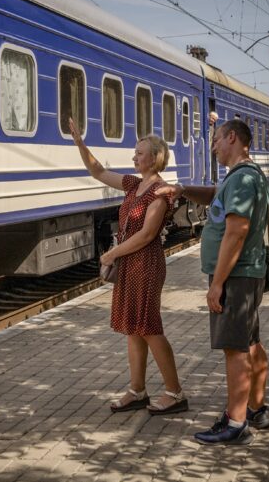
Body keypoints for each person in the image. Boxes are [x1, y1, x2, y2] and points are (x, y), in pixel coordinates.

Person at [158, 119, 269, 445]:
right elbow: (217, 198)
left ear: (231, 137)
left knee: (234, 349)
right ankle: (255, 409)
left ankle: (236, 424)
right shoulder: (247, 175)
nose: (212, 147)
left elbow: (236, 232)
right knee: (250, 343)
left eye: (215, 140)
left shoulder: (240, 179)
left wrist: (217, 283)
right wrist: (183, 190)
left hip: (235, 276)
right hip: (247, 273)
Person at [68, 118, 188, 415]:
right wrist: (81, 145)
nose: (134, 157)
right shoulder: (134, 185)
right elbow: (97, 171)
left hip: (146, 264)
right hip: (131, 263)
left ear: (155, 158)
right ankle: (137, 391)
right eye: (135, 153)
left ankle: (175, 393)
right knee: (134, 329)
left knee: (149, 327)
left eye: (139, 153)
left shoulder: (158, 190)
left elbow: (147, 235)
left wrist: (111, 254)